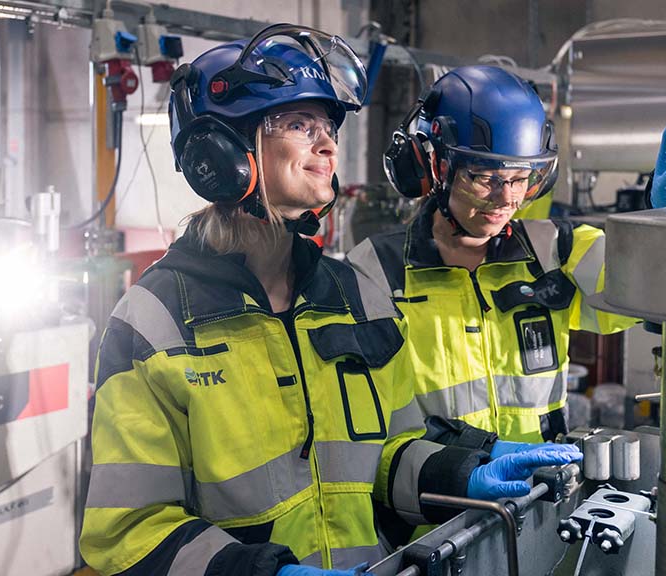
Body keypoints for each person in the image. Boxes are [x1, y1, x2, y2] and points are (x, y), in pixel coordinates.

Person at [79, 30, 578, 576]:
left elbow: (390, 452)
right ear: (219, 151)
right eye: (299, 125)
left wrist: (464, 471)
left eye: (328, 128)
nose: (328, 146)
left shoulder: (354, 296)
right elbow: (127, 529)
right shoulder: (155, 321)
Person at [349, 64, 666, 485]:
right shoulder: (377, 270)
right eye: (485, 177)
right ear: (435, 165)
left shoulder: (555, 251)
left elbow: (650, 298)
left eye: (521, 178)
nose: (506, 198)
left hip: (541, 494)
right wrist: (472, 464)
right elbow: (371, 425)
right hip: (434, 505)